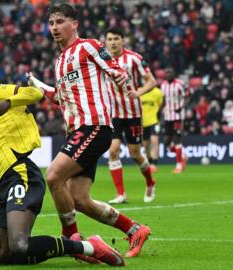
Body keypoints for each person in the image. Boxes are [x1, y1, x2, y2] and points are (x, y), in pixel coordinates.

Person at [0, 72, 125, 266]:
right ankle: (69, 246)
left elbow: (35, 93)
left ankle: (88, 246)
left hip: (21, 175)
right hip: (3, 186)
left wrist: (7, 103)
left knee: (19, 244)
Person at [30, 3, 151, 261]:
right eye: (51, 23)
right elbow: (61, 99)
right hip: (77, 130)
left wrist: (121, 77)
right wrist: (39, 87)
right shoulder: (60, 61)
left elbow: (113, 67)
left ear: (74, 23)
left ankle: (73, 241)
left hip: (94, 126)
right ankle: (134, 229)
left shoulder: (88, 46)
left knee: (53, 176)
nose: (54, 28)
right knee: (79, 199)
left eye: (60, 21)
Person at [103, 27, 158, 204]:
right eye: (109, 39)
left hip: (132, 113)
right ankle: (121, 194)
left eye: (116, 38)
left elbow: (152, 81)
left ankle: (150, 182)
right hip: (113, 114)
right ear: (105, 42)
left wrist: (138, 92)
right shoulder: (101, 59)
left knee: (135, 154)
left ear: (123, 40)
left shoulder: (134, 58)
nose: (113, 42)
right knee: (113, 150)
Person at [160, 68, 189, 173]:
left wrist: (182, 107)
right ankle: (183, 156)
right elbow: (163, 99)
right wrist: (161, 108)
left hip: (178, 116)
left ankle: (178, 165)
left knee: (177, 139)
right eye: (166, 72)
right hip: (168, 116)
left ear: (174, 74)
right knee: (167, 142)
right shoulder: (163, 85)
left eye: (170, 72)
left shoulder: (180, 84)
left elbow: (187, 96)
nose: (168, 74)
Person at [140, 86, 163, 173]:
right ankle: (149, 161)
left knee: (154, 140)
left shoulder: (157, 92)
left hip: (154, 121)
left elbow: (160, 105)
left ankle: (154, 163)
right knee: (145, 144)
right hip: (143, 122)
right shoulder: (139, 91)